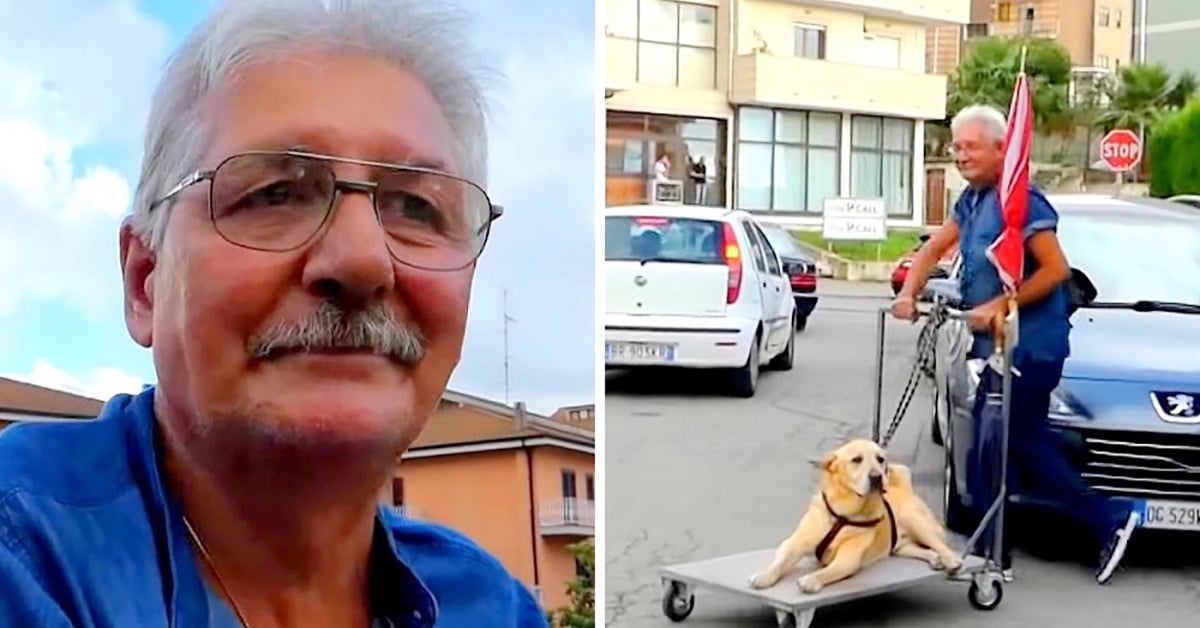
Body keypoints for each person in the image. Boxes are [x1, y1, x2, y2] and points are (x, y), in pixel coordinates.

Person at [0, 1, 548, 626]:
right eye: (275, 194)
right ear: (144, 281)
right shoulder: (23, 562)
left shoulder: (490, 606)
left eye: (417, 208)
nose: (363, 261)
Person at [890, 104, 1139, 586]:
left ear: (1003, 148)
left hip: (1031, 345)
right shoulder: (972, 200)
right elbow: (933, 247)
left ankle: (1096, 519)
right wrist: (907, 293)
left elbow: (1055, 270)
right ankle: (998, 549)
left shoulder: (1021, 200)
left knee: (998, 443)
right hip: (995, 348)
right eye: (956, 147)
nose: (959, 155)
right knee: (1003, 445)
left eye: (970, 146)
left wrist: (1003, 304)